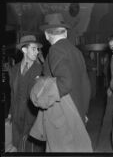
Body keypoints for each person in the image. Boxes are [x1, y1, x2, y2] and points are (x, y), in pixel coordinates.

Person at [30, 13, 92, 152]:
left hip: (61, 114)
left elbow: (65, 82)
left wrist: (42, 83)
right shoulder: (76, 51)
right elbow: (86, 85)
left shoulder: (55, 50)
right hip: (77, 111)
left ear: (47, 35)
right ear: (65, 32)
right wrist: (84, 111)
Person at [8, 34, 44, 152]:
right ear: (24, 50)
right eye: (33, 49)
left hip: (32, 118)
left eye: (38, 49)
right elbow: (13, 93)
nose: (37, 52)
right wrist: (10, 113)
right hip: (17, 115)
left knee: (31, 149)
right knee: (18, 146)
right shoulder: (14, 70)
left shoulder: (40, 70)